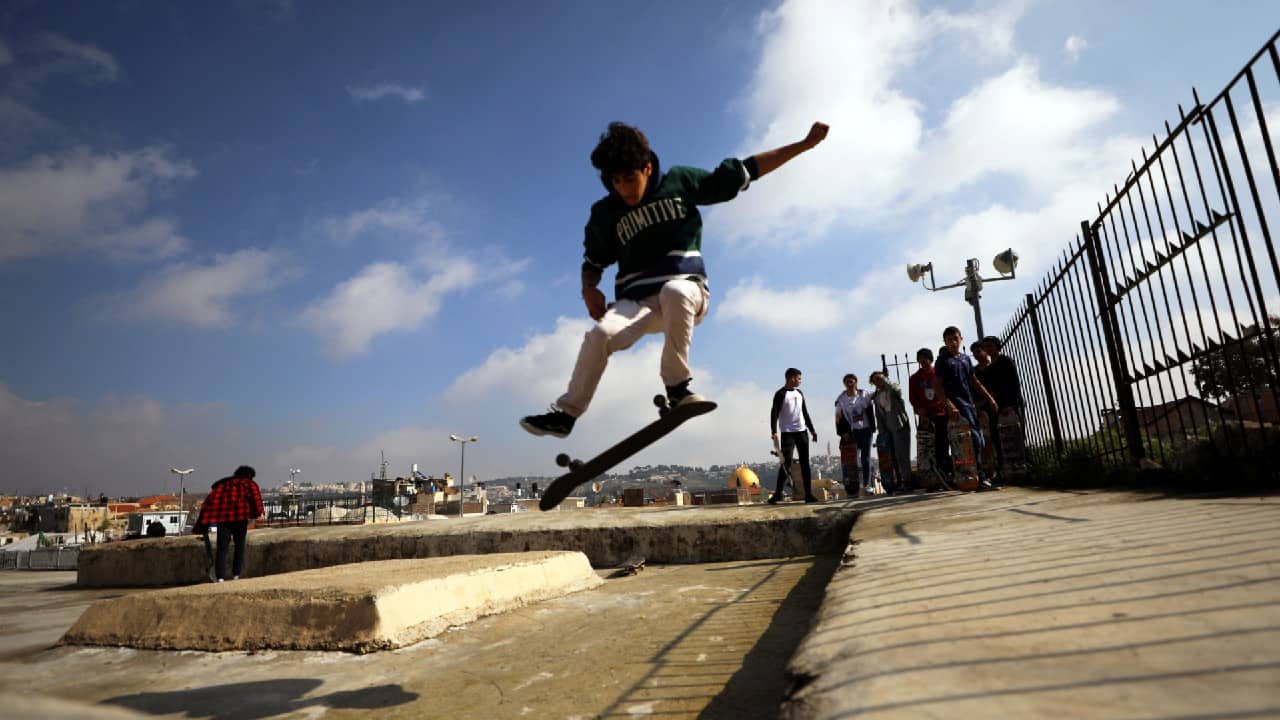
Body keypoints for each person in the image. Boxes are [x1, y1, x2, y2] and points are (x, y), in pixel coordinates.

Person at [520, 120, 830, 437]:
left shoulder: (679, 182)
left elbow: (745, 169)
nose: (624, 189)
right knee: (599, 336)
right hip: (637, 302)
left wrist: (803, 145)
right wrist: (589, 289)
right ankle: (566, 414)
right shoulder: (606, 213)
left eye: (630, 179)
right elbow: (593, 261)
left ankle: (677, 387)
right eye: (616, 182)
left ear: (648, 168)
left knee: (674, 291)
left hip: (687, 293)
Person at [936, 327, 998, 490]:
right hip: (957, 404)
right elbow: (937, 386)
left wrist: (989, 397)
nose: (953, 342)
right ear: (945, 342)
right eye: (949, 339)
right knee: (972, 440)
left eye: (955, 338)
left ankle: (973, 477)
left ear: (961, 339)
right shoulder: (943, 360)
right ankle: (979, 478)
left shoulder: (965, 359)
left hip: (969, 403)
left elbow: (974, 381)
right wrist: (949, 405)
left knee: (979, 440)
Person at [192, 465, 264, 582]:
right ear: (249, 475)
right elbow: (256, 499)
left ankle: (220, 577)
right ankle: (236, 574)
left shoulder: (222, 486)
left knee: (222, 548)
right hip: (240, 519)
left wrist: (203, 524)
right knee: (239, 547)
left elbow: (209, 503)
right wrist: (258, 513)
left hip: (223, 520)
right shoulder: (249, 484)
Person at [769, 368, 819, 504]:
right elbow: (774, 413)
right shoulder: (780, 394)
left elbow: (805, 412)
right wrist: (773, 431)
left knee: (805, 463)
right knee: (786, 463)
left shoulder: (799, 393)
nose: (800, 381)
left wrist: (812, 430)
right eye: (799, 378)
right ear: (791, 378)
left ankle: (808, 494)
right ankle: (778, 493)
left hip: (802, 432)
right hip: (787, 433)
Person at [979, 335, 1025, 477]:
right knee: (999, 439)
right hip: (996, 408)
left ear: (997, 346)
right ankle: (1005, 470)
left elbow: (1014, 384)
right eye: (985, 347)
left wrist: (1009, 404)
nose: (988, 349)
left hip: (1011, 405)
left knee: (1016, 437)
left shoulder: (1006, 361)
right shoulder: (989, 368)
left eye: (991, 345)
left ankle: (1021, 469)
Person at [908, 347, 952, 483]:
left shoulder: (939, 374)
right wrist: (918, 409)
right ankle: (931, 476)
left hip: (941, 414)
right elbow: (912, 398)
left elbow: (946, 392)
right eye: (921, 358)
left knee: (943, 445)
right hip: (925, 417)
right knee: (927, 448)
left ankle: (945, 473)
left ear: (931, 359)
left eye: (926, 358)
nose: (923, 361)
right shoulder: (914, 378)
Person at [869, 371, 912, 494]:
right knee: (892, 457)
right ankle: (899, 482)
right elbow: (878, 414)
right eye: (875, 380)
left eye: (879, 378)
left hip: (899, 424)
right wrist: (882, 431)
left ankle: (907, 481)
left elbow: (896, 391)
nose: (878, 382)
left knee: (902, 455)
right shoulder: (877, 396)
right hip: (887, 427)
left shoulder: (892, 388)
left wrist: (886, 380)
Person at [835, 373, 875, 496]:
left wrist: (884, 377)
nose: (850, 384)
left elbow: (878, 392)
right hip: (852, 433)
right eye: (847, 382)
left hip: (866, 430)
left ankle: (867, 485)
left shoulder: (864, 394)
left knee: (866, 459)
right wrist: (842, 432)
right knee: (852, 461)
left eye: (852, 381)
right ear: (844, 384)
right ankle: (853, 487)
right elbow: (838, 418)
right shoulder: (841, 399)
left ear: (856, 382)